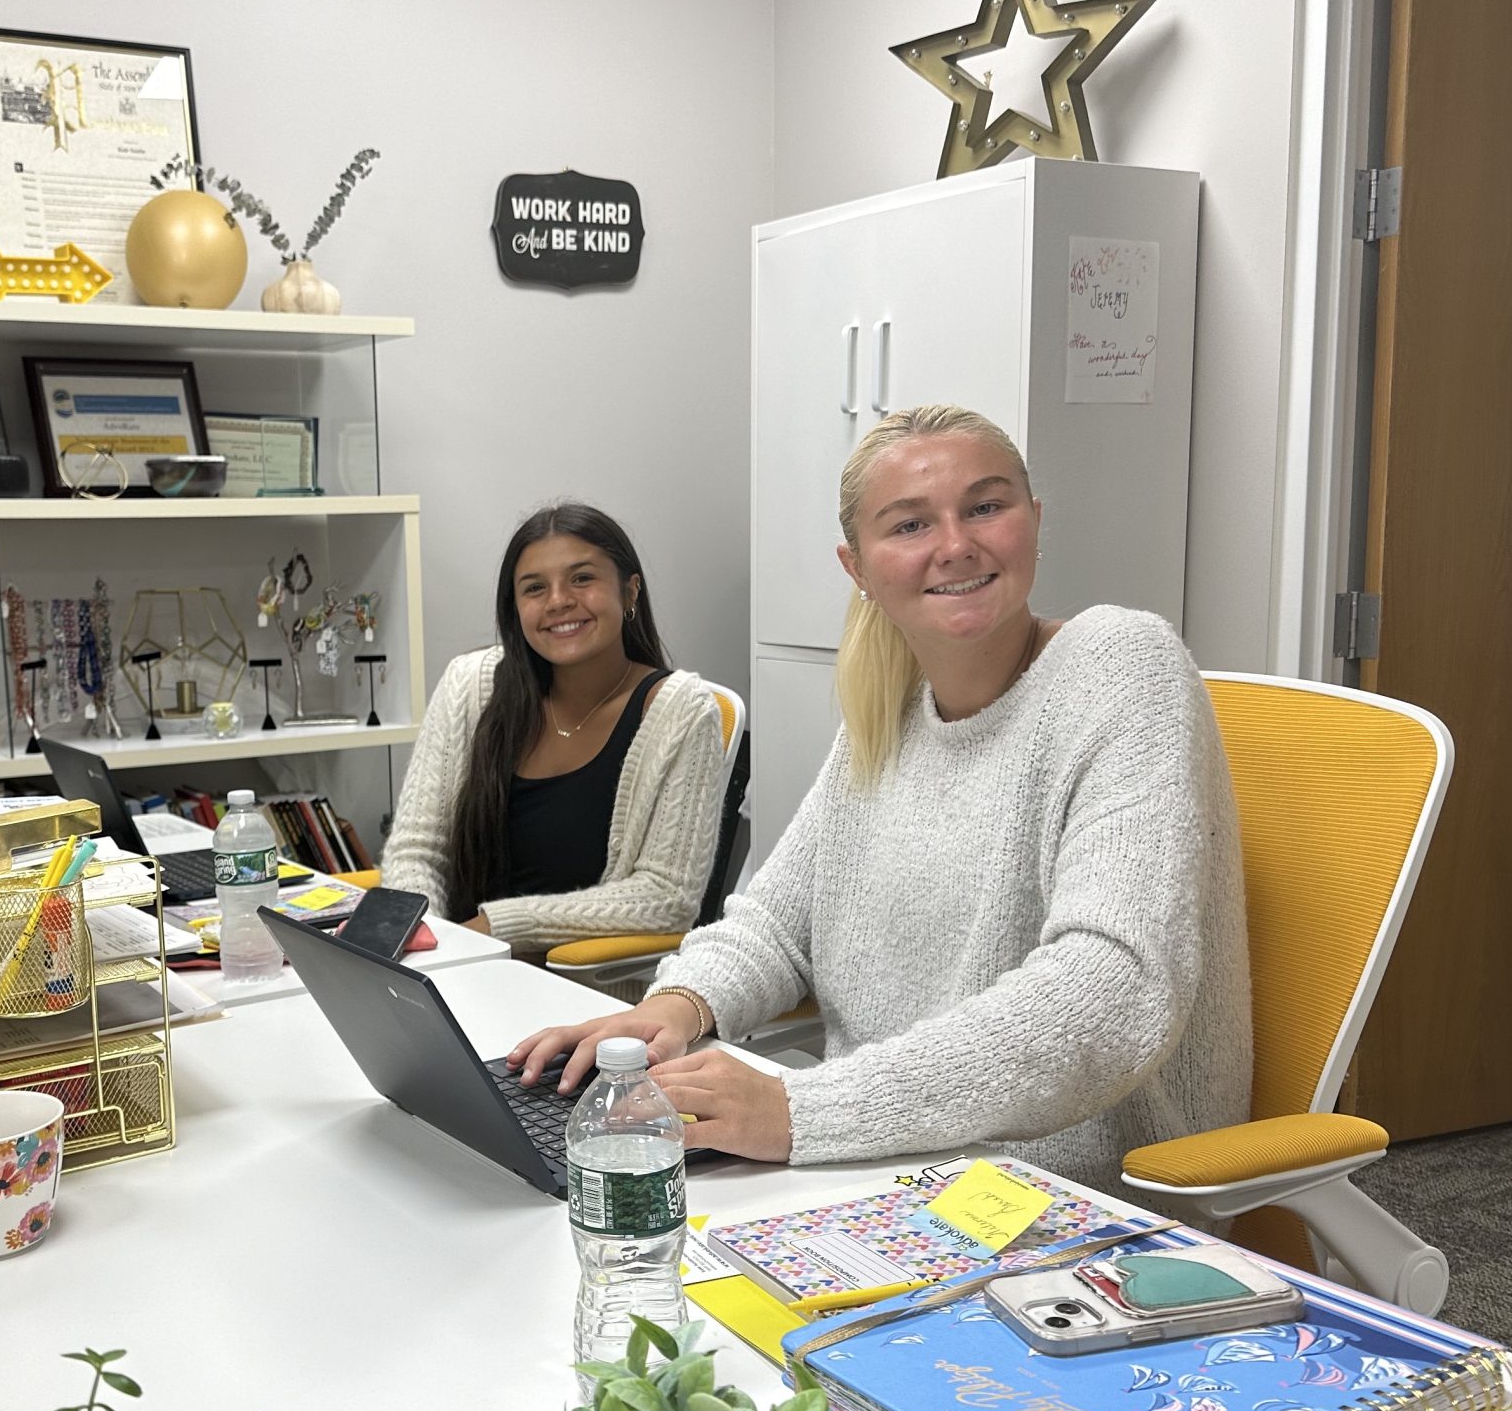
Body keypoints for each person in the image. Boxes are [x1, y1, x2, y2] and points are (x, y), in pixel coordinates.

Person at [511, 405, 1252, 1180]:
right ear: (857, 567)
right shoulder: (892, 706)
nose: (956, 546)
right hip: (877, 1162)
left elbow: (1109, 996)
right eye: (909, 526)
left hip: (1061, 1199)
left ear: (1033, 521)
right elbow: (775, 923)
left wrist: (799, 1111)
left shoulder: (1122, 666)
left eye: (986, 507)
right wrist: (674, 1009)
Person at [382, 503, 729, 951]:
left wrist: (492, 930)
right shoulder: (469, 685)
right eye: (534, 588)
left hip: (586, 995)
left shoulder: (681, 711)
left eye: (582, 578)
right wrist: (426, 937)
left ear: (630, 592)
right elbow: (417, 848)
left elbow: (668, 896)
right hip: (453, 972)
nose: (559, 601)